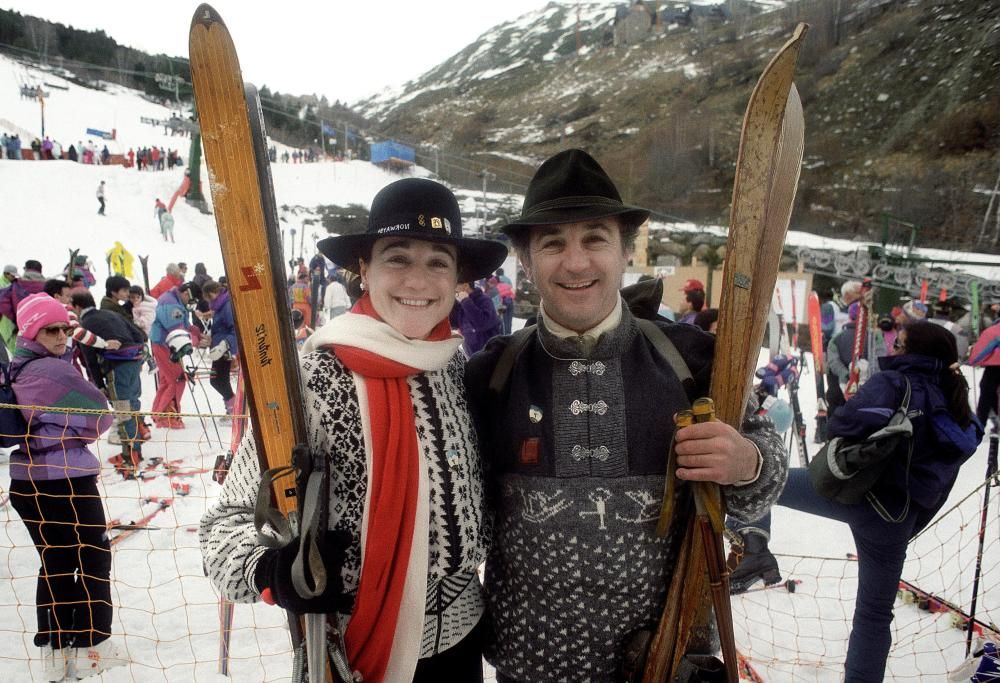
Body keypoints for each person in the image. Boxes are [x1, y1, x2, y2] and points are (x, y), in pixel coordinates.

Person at [463, 149, 787, 680]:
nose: (576, 262)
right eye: (552, 243)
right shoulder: (492, 374)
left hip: (668, 657)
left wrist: (747, 461)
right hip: (532, 666)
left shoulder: (694, 360)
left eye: (595, 238)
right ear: (525, 259)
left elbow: (760, 486)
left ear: (624, 249)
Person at [199, 177, 507, 681]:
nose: (418, 280)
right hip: (352, 646)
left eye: (438, 262)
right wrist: (272, 571)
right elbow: (224, 526)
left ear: (458, 280)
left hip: (461, 642)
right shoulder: (312, 378)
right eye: (397, 258)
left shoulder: (454, 367)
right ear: (364, 269)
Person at [728, 321, 983, 681]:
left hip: (855, 494)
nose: (893, 348)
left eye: (901, 345)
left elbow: (842, 425)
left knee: (765, 477)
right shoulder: (956, 400)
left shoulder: (895, 383)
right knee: (875, 615)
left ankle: (751, 545)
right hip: (898, 518)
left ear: (915, 353)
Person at [7, 293, 126, 680]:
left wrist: (58, 421)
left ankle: (56, 655)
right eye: (51, 330)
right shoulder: (54, 372)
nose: (62, 337)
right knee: (92, 558)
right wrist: (71, 425)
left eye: (65, 328)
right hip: (66, 480)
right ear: (31, 332)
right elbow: (101, 417)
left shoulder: (16, 369)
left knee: (56, 563)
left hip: (27, 483)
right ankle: (93, 646)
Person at [72, 291, 149, 475]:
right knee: (133, 404)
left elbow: (90, 359)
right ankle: (137, 445)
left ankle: (131, 457)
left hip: (116, 368)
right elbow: (139, 336)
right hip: (133, 363)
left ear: (77, 307)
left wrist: (99, 385)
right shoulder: (112, 314)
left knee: (123, 413)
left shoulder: (85, 326)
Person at [149, 281, 199, 428]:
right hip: (167, 345)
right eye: (191, 300)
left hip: (164, 344)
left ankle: (159, 413)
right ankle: (168, 417)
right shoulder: (171, 305)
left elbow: (185, 326)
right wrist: (194, 339)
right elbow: (178, 332)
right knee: (177, 379)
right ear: (185, 294)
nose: (191, 304)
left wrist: (197, 332)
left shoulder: (172, 300)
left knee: (167, 380)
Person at [201, 280, 237, 420]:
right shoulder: (219, 305)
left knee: (217, 380)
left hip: (224, 349)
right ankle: (232, 409)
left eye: (207, 297)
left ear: (213, 293)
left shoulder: (226, 305)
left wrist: (224, 344)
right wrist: (211, 338)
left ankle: (234, 409)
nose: (208, 302)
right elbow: (221, 328)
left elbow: (234, 329)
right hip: (219, 347)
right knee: (221, 380)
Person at [452, 281, 503, 356]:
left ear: (465, 285)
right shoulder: (460, 303)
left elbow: (482, 323)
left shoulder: (484, 300)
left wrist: (465, 301)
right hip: (471, 353)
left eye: (455, 285)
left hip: (489, 354)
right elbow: (455, 324)